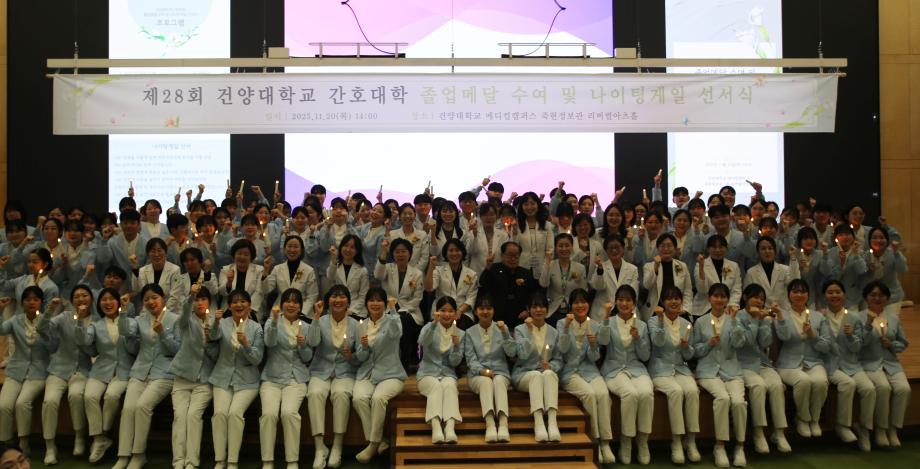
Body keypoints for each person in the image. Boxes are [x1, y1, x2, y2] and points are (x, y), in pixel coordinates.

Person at [113, 283, 179, 469]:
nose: (151, 302)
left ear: (163, 299)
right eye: (146, 299)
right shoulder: (140, 319)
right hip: (140, 371)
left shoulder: (175, 319)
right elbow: (125, 331)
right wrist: (123, 310)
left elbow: (178, 350)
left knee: (142, 406)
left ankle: (138, 454)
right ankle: (123, 455)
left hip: (164, 373)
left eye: (154, 297)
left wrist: (162, 333)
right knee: (128, 409)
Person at [692, 283, 747, 468]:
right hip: (708, 372)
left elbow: (739, 344)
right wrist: (708, 343)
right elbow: (695, 351)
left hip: (731, 370)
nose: (719, 299)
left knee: (738, 402)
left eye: (723, 296)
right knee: (722, 398)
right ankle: (720, 446)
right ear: (709, 298)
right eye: (716, 296)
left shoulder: (734, 320)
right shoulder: (700, 322)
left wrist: (735, 322)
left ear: (727, 300)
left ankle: (740, 446)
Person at [597, 285, 654, 465]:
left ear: (634, 303)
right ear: (616, 302)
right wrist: (606, 317)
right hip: (614, 370)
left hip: (636, 369)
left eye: (628, 300)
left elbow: (645, 356)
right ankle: (626, 442)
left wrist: (638, 339)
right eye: (620, 299)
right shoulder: (609, 321)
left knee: (646, 393)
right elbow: (602, 341)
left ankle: (643, 442)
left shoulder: (642, 325)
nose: (624, 303)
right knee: (630, 393)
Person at [208, 289, 264, 469]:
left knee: (234, 414)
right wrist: (216, 322)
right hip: (222, 377)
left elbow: (257, 359)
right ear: (229, 306)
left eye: (243, 301)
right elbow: (212, 336)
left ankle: (232, 461)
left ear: (249, 305)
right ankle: (219, 460)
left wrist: (246, 344)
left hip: (247, 381)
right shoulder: (222, 323)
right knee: (219, 414)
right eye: (234, 302)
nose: (239, 305)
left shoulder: (256, 328)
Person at [76, 288, 134, 463]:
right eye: (104, 300)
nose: (108, 303)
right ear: (99, 304)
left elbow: (132, 341)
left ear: (118, 301)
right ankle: (99, 439)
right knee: (89, 396)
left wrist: (124, 312)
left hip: (124, 369)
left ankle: (104, 433)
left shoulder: (129, 321)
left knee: (111, 396)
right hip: (101, 369)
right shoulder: (96, 325)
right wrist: (79, 320)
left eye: (111, 299)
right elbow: (84, 341)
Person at [306, 285, 360, 469]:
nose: (338, 300)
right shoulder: (320, 320)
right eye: (334, 296)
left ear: (348, 302)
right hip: (320, 369)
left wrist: (352, 357)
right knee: (315, 394)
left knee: (341, 395)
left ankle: (337, 445)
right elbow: (312, 342)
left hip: (345, 370)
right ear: (328, 301)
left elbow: (360, 354)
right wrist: (315, 316)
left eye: (342, 297)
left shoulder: (355, 324)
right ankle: (319, 447)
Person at [557, 289, 614, 463]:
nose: (580, 305)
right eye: (576, 302)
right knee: (589, 394)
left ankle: (606, 442)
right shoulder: (561, 323)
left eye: (583, 302)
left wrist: (593, 345)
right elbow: (562, 350)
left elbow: (594, 358)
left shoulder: (594, 325)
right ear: (571, 305)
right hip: (570, 372)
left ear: (588, 305)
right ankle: (594, 440)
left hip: (590, 370)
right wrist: (566, 328)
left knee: (603, 394)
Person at [41, 286, 94, 465]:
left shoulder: (96, 320)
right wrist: (49, 310)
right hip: (58, 368)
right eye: (76, 296)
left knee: (76, 395)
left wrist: (80, 321)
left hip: (82, 369)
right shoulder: (64, 316)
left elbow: (90, 346)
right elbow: (42, 328)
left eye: (84, 295)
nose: (81, 299)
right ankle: (50, 447)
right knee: (50, 401)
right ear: (72, 301)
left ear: (91, 299)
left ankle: (79, 437)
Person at [735, 284, 791, 454]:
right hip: (742, 364)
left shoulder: (764, 317)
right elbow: (744, 342)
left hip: (763, 363)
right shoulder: (737, 316)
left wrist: (763, 321)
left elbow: (766, 342)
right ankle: (758, 433)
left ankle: (779, 433)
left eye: (761, 298)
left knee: (777, 385)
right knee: (758, 386)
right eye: (755, 297)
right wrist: (755, 320)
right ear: (745, 297)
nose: (759, 301)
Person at [352, 288, 406, 463]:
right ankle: (380, 441)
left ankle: (373, 444)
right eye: (371, 300)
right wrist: (363, 347)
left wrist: (393, 309)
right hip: (367, 373)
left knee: (378, 398)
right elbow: (360, 357)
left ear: (384, 303)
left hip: (391, 373)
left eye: (379, 300)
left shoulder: (392, 320)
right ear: (366, 304)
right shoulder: (361, 325)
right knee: (358, 398)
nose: (375, 303)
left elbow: (397, 333)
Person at [260, 289, 313, 469]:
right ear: (282, 304)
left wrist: (303, 345)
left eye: (295, 302)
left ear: (300, 306)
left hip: (296, 379)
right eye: (288, 301)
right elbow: (269, 342)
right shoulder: (271, 321)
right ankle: (267, 461)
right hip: (272, 378)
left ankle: (292, 461)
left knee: (289, 413)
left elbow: (307, 357)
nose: (291, 305)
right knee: (269, 414)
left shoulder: (305, 326)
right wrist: (275, 320)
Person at [648, 286, 700, 464]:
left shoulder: (686, 323)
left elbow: (689, 355)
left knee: (692, 391)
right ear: (663, 302)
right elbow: (658, 342)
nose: (674, 302)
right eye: (669, 298)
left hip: (680, 368)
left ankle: (691, 441)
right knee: (676, 392)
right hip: (660, 369)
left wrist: (686, 347)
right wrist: (661, 320)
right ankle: (676, 442)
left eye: (677, 298)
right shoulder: (653, 321)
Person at [821, 280, 875, 451]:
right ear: (824, 296)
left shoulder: (854, 317)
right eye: (830, 292)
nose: (834, 295)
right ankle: (842, 425)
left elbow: (857, 347)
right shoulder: (819, 317)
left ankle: (864, 429)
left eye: (838, 292)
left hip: (851, 364)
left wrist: (851, 336)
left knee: (869, 389)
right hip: (829, 364)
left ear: (844, 295)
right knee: (848, 384)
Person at [169, 284, 218, 469]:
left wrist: (209, 340)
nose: (199, 303)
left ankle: (191, 462)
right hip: (182, 377)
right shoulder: (185, 320)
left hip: (204, 380)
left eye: (203, 299)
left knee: (193, 416)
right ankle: (178, 461)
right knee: (180, 416)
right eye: (197, 300)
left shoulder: (216, 322)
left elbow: (216, 354)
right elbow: (184, 312)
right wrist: (191, 294)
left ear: (209, 302)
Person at [0, 288, 55, 455]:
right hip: (16, 369)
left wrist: (43, 331)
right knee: (3, 405)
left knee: (22, 403)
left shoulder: (47, 321)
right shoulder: (15, 320)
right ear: (22, 302)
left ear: (41, 302)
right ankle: (5, 444)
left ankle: (23, 443)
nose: (31, 302)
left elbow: (53, 347)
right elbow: (1, 330)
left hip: (39, 371)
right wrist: (0, 310)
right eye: (28, 299)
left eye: (36, 299)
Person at [775, 279, 831, 440]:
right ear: (789, 295)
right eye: (795, 291)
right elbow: (784, 336)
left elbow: (826, 346)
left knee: (821, 382)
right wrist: (780, 317)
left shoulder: (818, 317)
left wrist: (813, 335)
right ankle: (803, 418)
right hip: (788, 363)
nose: (799, 295)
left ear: (808, 295)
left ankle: (815, 419)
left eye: (802, 291)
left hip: (813, 361)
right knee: (803, 381)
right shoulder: (782, 315)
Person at [858, 281, 911, 449]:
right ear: (866, 297)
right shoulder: (858, 317)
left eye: (881, 295)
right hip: (869, 362)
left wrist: (891, 344)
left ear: (887, 298)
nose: (877, 298)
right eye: (873, 295)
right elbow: (859, 344)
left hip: (891, 363)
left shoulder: (893, 319)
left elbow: (903, 343)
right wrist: (868, 325)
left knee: (904, 389)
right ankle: (880, 429)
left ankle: (893, 429)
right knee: (883, 387)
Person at [463, 293, 516, 443]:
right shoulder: (469, 332)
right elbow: (470, 359)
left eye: (489, 308)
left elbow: (512, 353)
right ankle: (490, 424)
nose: (485, 312)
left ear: (493, 311)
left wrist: (505, 334)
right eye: (481, 308)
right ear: (475, 311)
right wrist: (482, 371)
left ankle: (504, 424)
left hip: (500, 372)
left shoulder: (502, 328)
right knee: (486, 382)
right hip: (477, 375)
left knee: (498, 381)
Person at [512, 294, 562, 442]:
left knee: (550, 374)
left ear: (547, 310)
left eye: (542, 307)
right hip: (524, 373)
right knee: (536, 375)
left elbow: (559, 359)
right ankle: (539, 423)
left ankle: (552, 423)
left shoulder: (554, 332)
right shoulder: (520, 329)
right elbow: (522, 355)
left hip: (544, 374)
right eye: (535, 307)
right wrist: (529, 332)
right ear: (528, 309)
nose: (538, 310)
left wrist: (551, 366)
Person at [416, 296, 465, 444]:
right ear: (437, 312)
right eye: (443, 310)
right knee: (436, 387)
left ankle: (450, 427)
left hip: (447, 373)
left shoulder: (460, 333)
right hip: (427, 373)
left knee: (450, 386)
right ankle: (436, 427)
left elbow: (455, 362)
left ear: (455, 314)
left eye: (450, 311)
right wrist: (433, 324)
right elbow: (422, 342)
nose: (446, 314)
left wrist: (456, 346)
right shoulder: (429, 327)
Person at [375, 238, 424, 370]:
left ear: (410, 253)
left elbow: (417, 298)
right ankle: (393, 361)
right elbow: (378, 275)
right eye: (397, 252)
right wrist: (383, 251)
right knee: (398, 321)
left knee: (405, 320)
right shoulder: (387, 268)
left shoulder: (417, 273)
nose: (400, 254)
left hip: (411, 311)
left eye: (403, 251)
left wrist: (403, 310)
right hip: (389, 309)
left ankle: (405, 360)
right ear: (393, 254)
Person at [478, 241, 538, 330]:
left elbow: (533, 294)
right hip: (497, 316)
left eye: (516, 256)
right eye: (510, 255)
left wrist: (528, 310)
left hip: (520, 317)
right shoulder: (494, 269)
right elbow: (483, 284)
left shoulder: (526, 273)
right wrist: (488, 268)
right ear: (502, 255)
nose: (513, 259)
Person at [425, 240, 479, 329]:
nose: (454, 253)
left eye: (457, 250)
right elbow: (428, 288)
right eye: (451, 250)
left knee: (460, 326)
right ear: (446, 254)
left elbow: (471, 298)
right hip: (441, 311)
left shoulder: (471, 274)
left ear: (462, 252)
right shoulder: (438, 271)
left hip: (462, 312)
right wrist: (431, 267)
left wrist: (459, 311)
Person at [641, 233, 693, 321]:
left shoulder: (682, 266)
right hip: (656, 309)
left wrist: (685, 309)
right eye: (662, 246)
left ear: (675, 248)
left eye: (669, 246)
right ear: (657, 248)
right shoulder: (649, 266)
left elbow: (687, 291)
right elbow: (647, 285)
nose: (666, 249)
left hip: (677, 309)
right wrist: (655, 268)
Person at [540, 233, 587, 326]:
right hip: (554, 310)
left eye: (567, 245)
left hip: (574, 310)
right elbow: (543, 284)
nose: (564, 249)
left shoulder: (580, 268)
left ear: (572, 247)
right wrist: (547, 262)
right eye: (560, 246)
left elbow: (583, 290)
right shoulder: (550, 265)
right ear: (555, 248)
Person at [590, 235, 639, 321]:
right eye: (610, 248)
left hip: (626, 311)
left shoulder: (632, 269)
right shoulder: (600, 266)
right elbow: (598, 286)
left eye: (617, 247)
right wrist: (600, 270)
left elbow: (634, 294)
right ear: (606, 251)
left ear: (623, 248)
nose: (614, 250)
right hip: (602, 313)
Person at [743, 236, 800, 310]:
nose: (767, 251)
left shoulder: (785, 269)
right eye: (763, 248)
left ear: (775, 251)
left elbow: (795, 282)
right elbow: (748, 297)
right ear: (758, 252)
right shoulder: (751, 273)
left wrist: (793, 257)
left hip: (784, 311)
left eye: (770, 248)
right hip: (760, 313)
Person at [693, 235, 742, 318]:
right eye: (714, 247)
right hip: (704, 308)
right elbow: (702, 290)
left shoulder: (734, 266)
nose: (717, 250)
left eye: (721, 247)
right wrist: (701, 267)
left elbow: (736, 290)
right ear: (708, 249)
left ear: (726, 248)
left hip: (727, 307)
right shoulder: (700, 264)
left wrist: (731, 305)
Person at [862, 226, 907, 316]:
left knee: (890, 321)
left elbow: (903, 269)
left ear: (887, 240)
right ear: (869, 241)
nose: (878, 240)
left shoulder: (893, 253)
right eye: (874, 238)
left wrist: (896, 253)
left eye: (882, 237)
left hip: (892, 296)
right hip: (871, 297)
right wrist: (868, 271)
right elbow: (860, 277)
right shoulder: (866, 256)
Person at [219, 239, 267, 323]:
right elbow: (222, 292)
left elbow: (259, 292)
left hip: (251, 309)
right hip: (230, 309)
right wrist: (229, 282)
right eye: (239, 253)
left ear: (251, 256)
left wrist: (247, 308)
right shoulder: (226, 270)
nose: (242, 257)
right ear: (234, 255)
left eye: (246, 254)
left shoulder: (259, 270)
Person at [513, 192, 554, 280]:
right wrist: (514, 233)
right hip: (522, 267)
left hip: (542, 268)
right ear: (521, 207)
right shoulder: (517, 225)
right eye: (526, 204)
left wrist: (546, 266)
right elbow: (514, 248)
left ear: (538, 205)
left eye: (532, 204)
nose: (529, 207)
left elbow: (550, 249)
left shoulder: (547, 225)